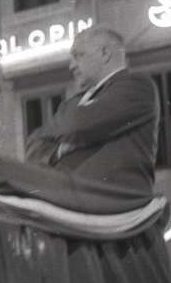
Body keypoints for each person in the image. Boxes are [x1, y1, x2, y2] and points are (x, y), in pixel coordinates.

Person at [25, 26, 159, 193]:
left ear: (105, 53)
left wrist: (62, 134)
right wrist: (60, 150)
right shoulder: (75, 101)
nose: (71, 66)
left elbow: (76, 122)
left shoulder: (136, 86)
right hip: (74, 195)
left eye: (78, 55)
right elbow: (34, 144)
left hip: (111, 197)